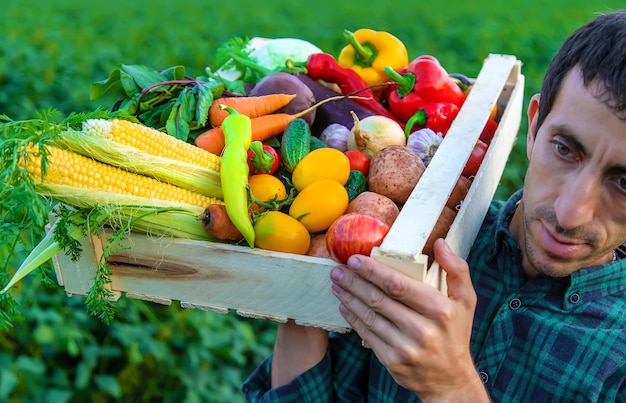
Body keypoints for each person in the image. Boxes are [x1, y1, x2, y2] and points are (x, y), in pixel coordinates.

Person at [243, 9, 626, 401]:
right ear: (533, 128)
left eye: (624, 183)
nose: (570, 213)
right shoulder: (414, 241)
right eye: (564, 150)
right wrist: (301, 284)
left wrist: (452, 386)